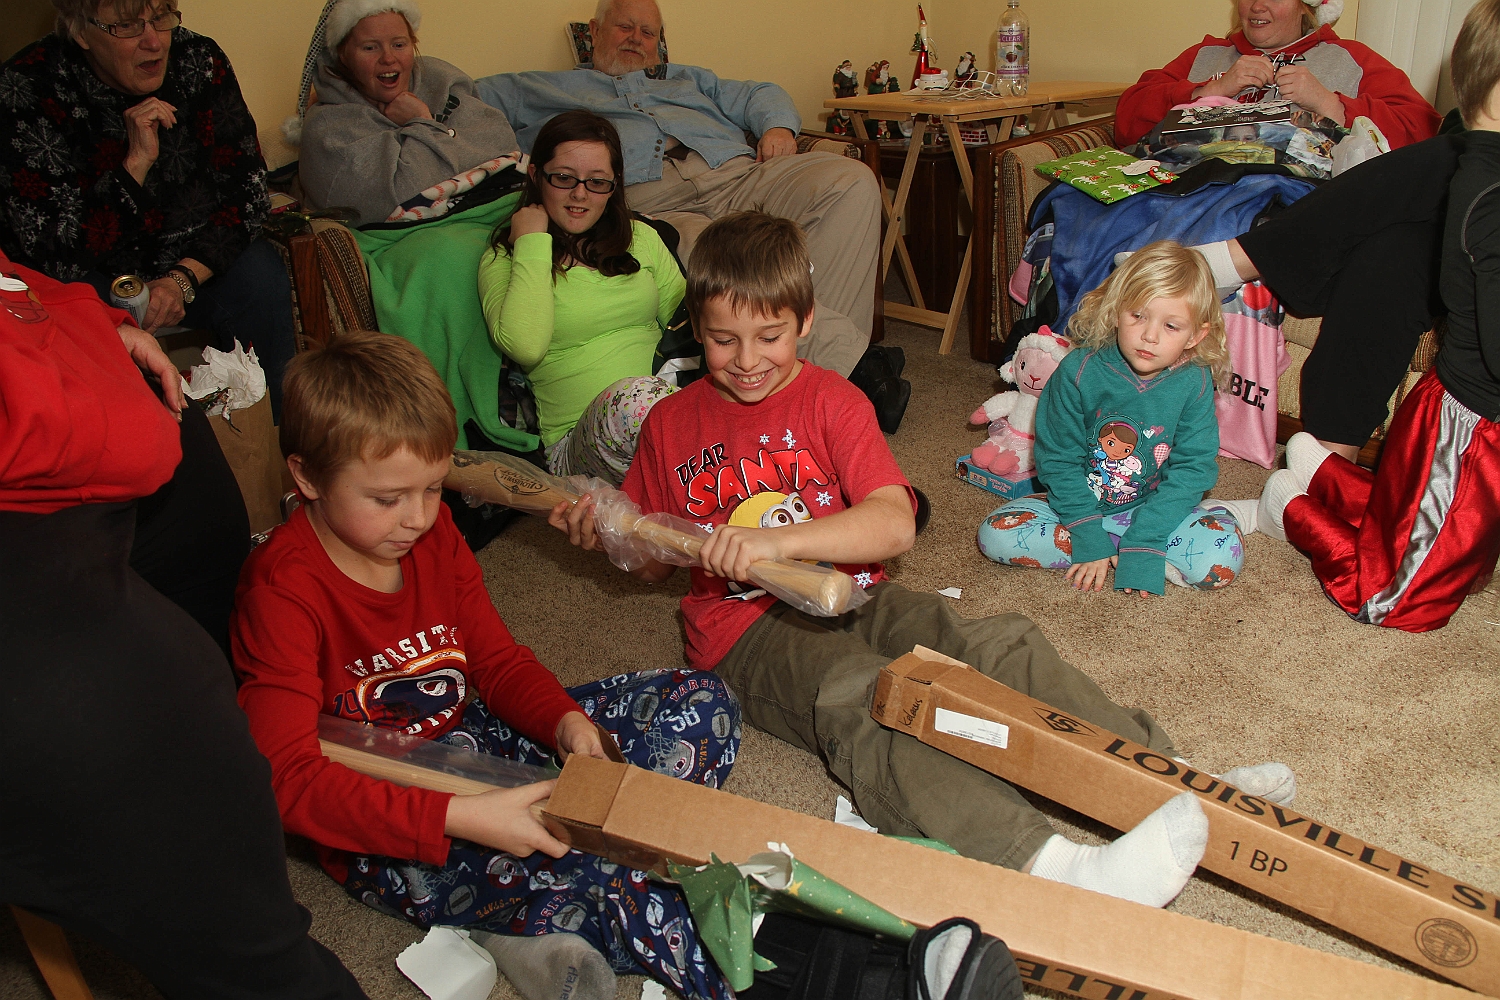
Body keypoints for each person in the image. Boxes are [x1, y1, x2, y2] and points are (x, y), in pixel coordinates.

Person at [550, 212, 1297, 909]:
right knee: (866, 695)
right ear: (697, 330)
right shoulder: (671, 423)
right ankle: (1056, 866)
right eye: (722, 340)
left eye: (769, 336)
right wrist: (614, 539)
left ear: (805, 321)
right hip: (744, 630)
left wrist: (776, 542)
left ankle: (1169, 784)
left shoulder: (833, 401)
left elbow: (892, 523)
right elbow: (654, 562)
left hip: (853, 593)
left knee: (998, 645)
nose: (747, 361)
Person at [231, 330, 740, 1000]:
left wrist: (564, 723)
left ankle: (536, 910)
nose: (418, 518)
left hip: (475, 741)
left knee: (703, 701)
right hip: (392, 813)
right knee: (607, 876)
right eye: (387, 498)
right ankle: (545, 913)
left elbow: (495, 661)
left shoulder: (435, 534)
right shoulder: (282, 591)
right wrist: (460, 819)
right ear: (306, 478)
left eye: (432, 488)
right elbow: (285, 780)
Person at [0, 251, 366, 999]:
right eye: (389, 498)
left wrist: (84, 323)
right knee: (176, 727)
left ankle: (228, 829)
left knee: (209, 564)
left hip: (85, 438)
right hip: (34, 527)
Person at [1251, 0, 1500, 633]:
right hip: (1470, 431)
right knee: (1393, 598)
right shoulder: (1489, 195)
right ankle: (1292, 505)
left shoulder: (1481, 177)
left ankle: (1322, 471)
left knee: (1460, 560)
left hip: (1469, 424)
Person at [474, 0, 881, 382]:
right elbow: (460, 98)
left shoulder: (690, 79)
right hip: (655, 198)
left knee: (851, 182)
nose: (636, 38)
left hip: (736, 173)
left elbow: (760, 92)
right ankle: (842, 374)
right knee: (715, 249)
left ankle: (818, 366)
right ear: (594, 31)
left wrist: (776, 127)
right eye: (625, 27)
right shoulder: (539, 87)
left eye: (648, 32)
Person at [0, 0, 297, 419]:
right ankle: (145, 441)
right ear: (81, 31)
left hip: (195, 262)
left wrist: (182, 279)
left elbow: (247, 194)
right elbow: (54, 253)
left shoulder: (199, 59)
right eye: (127, 26)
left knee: (260, 274)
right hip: (92, 272)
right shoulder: (25, 87)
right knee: (74, 305)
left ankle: (282, 437)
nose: (154, 41)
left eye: (160, 17)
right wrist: (135, 164)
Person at [978, 242, 1248, 594]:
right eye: (1138, 316)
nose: (1150, 336)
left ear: (1195, 335)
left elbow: (1193, 467)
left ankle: (1136, 545)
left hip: (1153, 509)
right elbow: (1058, 461)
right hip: (1076, 506)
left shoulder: (1194, 381)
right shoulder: (1076, 371)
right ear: (1117, 310)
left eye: (1171, 326)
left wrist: (1147, 535)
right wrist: (1087, 533)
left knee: (1219, 562)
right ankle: (1116, 548)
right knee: (994, 535)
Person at [479, 111, 684, 484]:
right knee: (638, 400)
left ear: (614, 185)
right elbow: (525, 347)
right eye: (563, 178)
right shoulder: (506, 258)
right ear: (535, 175)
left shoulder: (641, 237)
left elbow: (689, 324)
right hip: (582, 444)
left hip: (671, 416)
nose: (580, 194)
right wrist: (532, 242)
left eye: (597, 182)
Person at [290, 0, 522, 227]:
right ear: (343, 55)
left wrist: (421, 149)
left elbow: (502, 143)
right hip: (419, 238)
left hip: (501, 211)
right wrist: (421, 122)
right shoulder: (328, 128)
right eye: (370, 48)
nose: (388, 58)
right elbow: (397, 202)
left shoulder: (440, 77)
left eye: (399, 44)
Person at [1116, 0, 1440, 148]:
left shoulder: (1352, 59)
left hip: (1297, 214)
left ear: (1305, 6)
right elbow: (1126, 122)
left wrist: (1330, 104)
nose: (1257, 6)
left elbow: (1423, 131)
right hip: (1188, 194)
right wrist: (1208, 90)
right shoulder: (1207, 54)